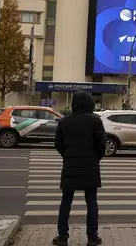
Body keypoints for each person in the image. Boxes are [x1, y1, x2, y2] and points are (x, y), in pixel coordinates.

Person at [53, 91, 107, 246]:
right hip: (90, 167)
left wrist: (67, 155)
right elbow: (102, 144)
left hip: (69, 166)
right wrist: (96, 157)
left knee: (66, 200)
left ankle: (62, 237)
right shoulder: (95, 121)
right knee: (91, 201)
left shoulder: (65, 122)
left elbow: (58, 144)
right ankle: (92, 237)